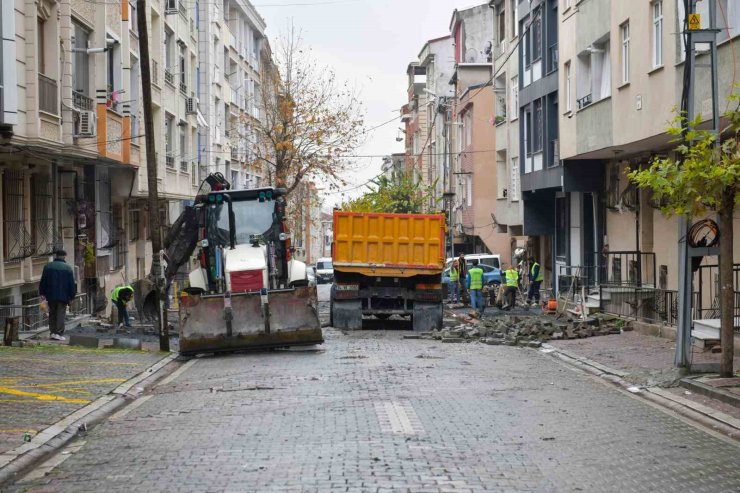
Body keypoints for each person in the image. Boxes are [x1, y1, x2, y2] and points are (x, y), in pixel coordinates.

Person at [39, 250, 77, 341]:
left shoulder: (48, 266)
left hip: (50, 295)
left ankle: (52, 332)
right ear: (64, 257)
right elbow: (71, 284)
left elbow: (43, 280)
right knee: (60, 314)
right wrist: (72, 296)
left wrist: (42, 293)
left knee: (52, 314)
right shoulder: (67, 268)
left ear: (56, 256)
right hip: (63, 296)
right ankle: (59, 333)